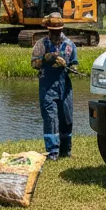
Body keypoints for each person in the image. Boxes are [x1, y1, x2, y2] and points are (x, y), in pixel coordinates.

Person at [31, 12, 78, 160]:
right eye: (52, 31)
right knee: (50, 119)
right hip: (47, 87)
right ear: (48, 29)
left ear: (62, 29)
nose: (55, 34)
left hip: (65, 88)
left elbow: (75, 67)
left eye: (57, 31)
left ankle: (66, 151)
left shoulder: (70, 45)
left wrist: (67, 65)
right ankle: (52, 153)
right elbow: (34, 64)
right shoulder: (41, 44)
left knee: (66, 118)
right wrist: (46, 58)